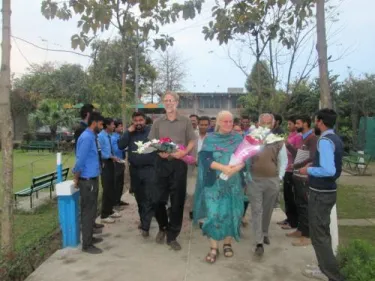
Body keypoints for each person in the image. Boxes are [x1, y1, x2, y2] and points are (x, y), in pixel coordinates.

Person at [299, 109, 344, 281]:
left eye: (315, 121)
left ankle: (330, 273)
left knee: (319, 236)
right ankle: (325, 266)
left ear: (320, 122)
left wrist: (308, 169)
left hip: (321, 194)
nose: (314, 123)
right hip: (327, 192)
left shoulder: (324, 140)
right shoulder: (335, 138)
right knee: (322, 232)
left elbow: (328, 169)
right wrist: (315, 163)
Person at [194, 111, 245, 264]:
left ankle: (227, 243)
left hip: (233, 183)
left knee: (231, 213)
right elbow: (204, 158)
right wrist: (223, 168)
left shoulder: (238, 138)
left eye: (230, 121)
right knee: (214, 214)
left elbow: (244, 158)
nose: (228, 124)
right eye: (225, 121)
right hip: (214, 184)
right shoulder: (210, 138)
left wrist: (234, 169)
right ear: (218, 123)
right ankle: (214, 247)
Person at [148, 91, 196, 251]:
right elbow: (152, 141)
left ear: (177, 102)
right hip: (161, 163)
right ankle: (163, 226)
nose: (168, 103)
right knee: (156, 200)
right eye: (165, 100)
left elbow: (192, 140)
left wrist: (184, 152)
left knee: (177, 202)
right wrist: (158, 150)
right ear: (163, 103)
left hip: (178, 165)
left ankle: (172, 236)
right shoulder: (157, 122)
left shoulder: (185, 121)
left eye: (171, 100)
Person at [249, 113, 287, 256]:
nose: (265, 125)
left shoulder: (278, 141)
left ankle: (264, 232)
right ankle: (259, 242)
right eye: (263, 122)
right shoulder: (251, 139)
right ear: (258, 123)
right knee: (256, 210)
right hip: (254, 180)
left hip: (272, 181)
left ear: (273, 124)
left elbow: (283, 161)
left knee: (267, 209)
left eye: (268, 123)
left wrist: (280, 178)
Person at [118, 112, 156, 238]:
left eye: (141, 120)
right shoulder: (130, 133)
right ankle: (143, 220)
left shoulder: (152, 131)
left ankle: (146, 226)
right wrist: (128, 132)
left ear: (145, 121)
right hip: (134, 171)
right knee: (139, 198)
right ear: (132, 121)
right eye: (136, 120)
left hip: (150, 170)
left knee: (149, 197)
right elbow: (120, 145)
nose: (138, 123)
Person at [73, 112, 104, 254]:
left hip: (92, 178)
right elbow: (80, 160)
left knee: (92, 211)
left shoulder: (92, 136)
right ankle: (87, 244)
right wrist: (76, 177)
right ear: (94, 123)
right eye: (101, 124)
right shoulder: (86, 138)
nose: (102, 127)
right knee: (88, 212)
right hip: (87, 180)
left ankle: (89, 237)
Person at [286, 115, 317, 247]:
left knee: (304, 206)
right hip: (298, 175)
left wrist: (297, 165)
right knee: (299, 204)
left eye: (298, 123)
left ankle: (307, 235)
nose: (296, 125)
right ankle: (300, 229)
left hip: (305, 177)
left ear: (306, 124)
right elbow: (299, 155)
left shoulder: (312, 138)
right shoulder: (303, 138)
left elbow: (311, 156)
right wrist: (288, 146)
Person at [278, 115, 302, 230]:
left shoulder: (298, 136)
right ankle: (288, 218)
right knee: (286, 196)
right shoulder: (290, 135)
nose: (289, 126)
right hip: (286, 169)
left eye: (290, 124)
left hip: (292, 169)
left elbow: (298, 154)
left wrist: (288, 145)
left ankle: (293, 222)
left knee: (291, 196)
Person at [98, 118, 121, 224]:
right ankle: (104, 214)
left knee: (112, 187)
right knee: (107, 188)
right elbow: (101, 153)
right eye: (112, 124)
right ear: (107, 125)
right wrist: (112, 157)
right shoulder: (101, 136)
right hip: (105, 163)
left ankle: (110, 210)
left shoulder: (109, 136)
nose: (114, 127)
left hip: (111, 162)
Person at [111, 120, 128, 209]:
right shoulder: (114, 138)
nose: (121, 128)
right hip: (116, 162)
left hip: (121, 161)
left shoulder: (119, 136)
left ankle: (118, 200)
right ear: (116, 127)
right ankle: (115, 203)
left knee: (121, 182)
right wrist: (124, 148)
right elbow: (116, 150)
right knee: (117, 183)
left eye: (122, 126)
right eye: (120, 126)